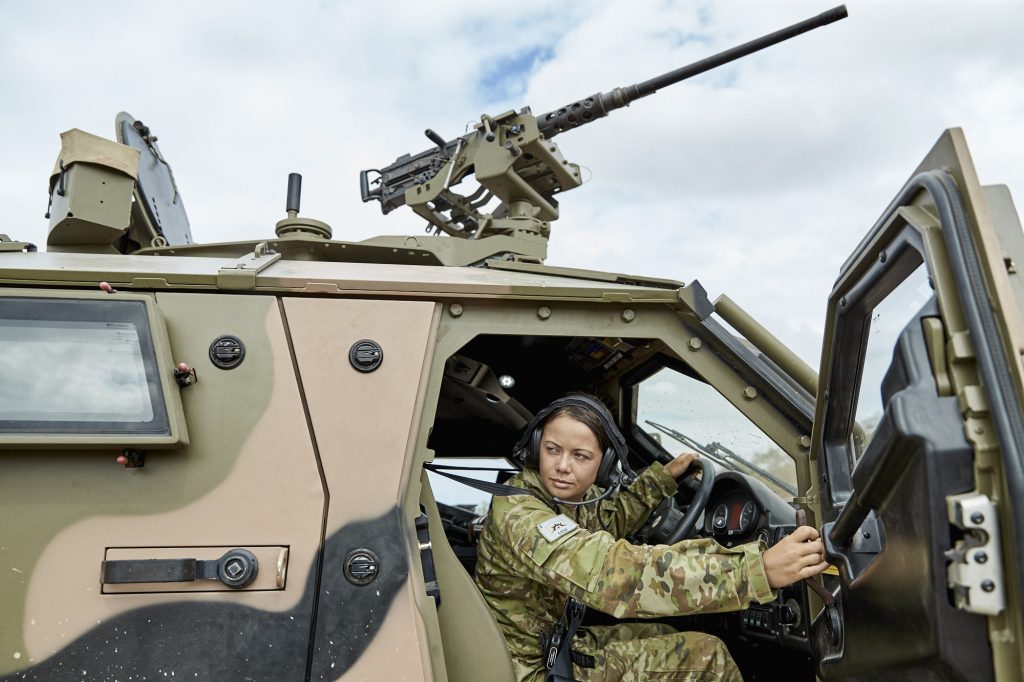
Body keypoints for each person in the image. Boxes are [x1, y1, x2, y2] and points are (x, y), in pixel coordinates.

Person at [474, 395, 828, 681]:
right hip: (528, 668)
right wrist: (755, 570)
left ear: (604, 465)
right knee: (706, 656)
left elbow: (608, 518)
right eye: (553, 450)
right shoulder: (522, 513)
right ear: (537, 447)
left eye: (580, 456)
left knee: (660, 630)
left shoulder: (560, 500)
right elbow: (611, 573)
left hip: (545, 645)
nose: (563, 465)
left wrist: (662, 480)